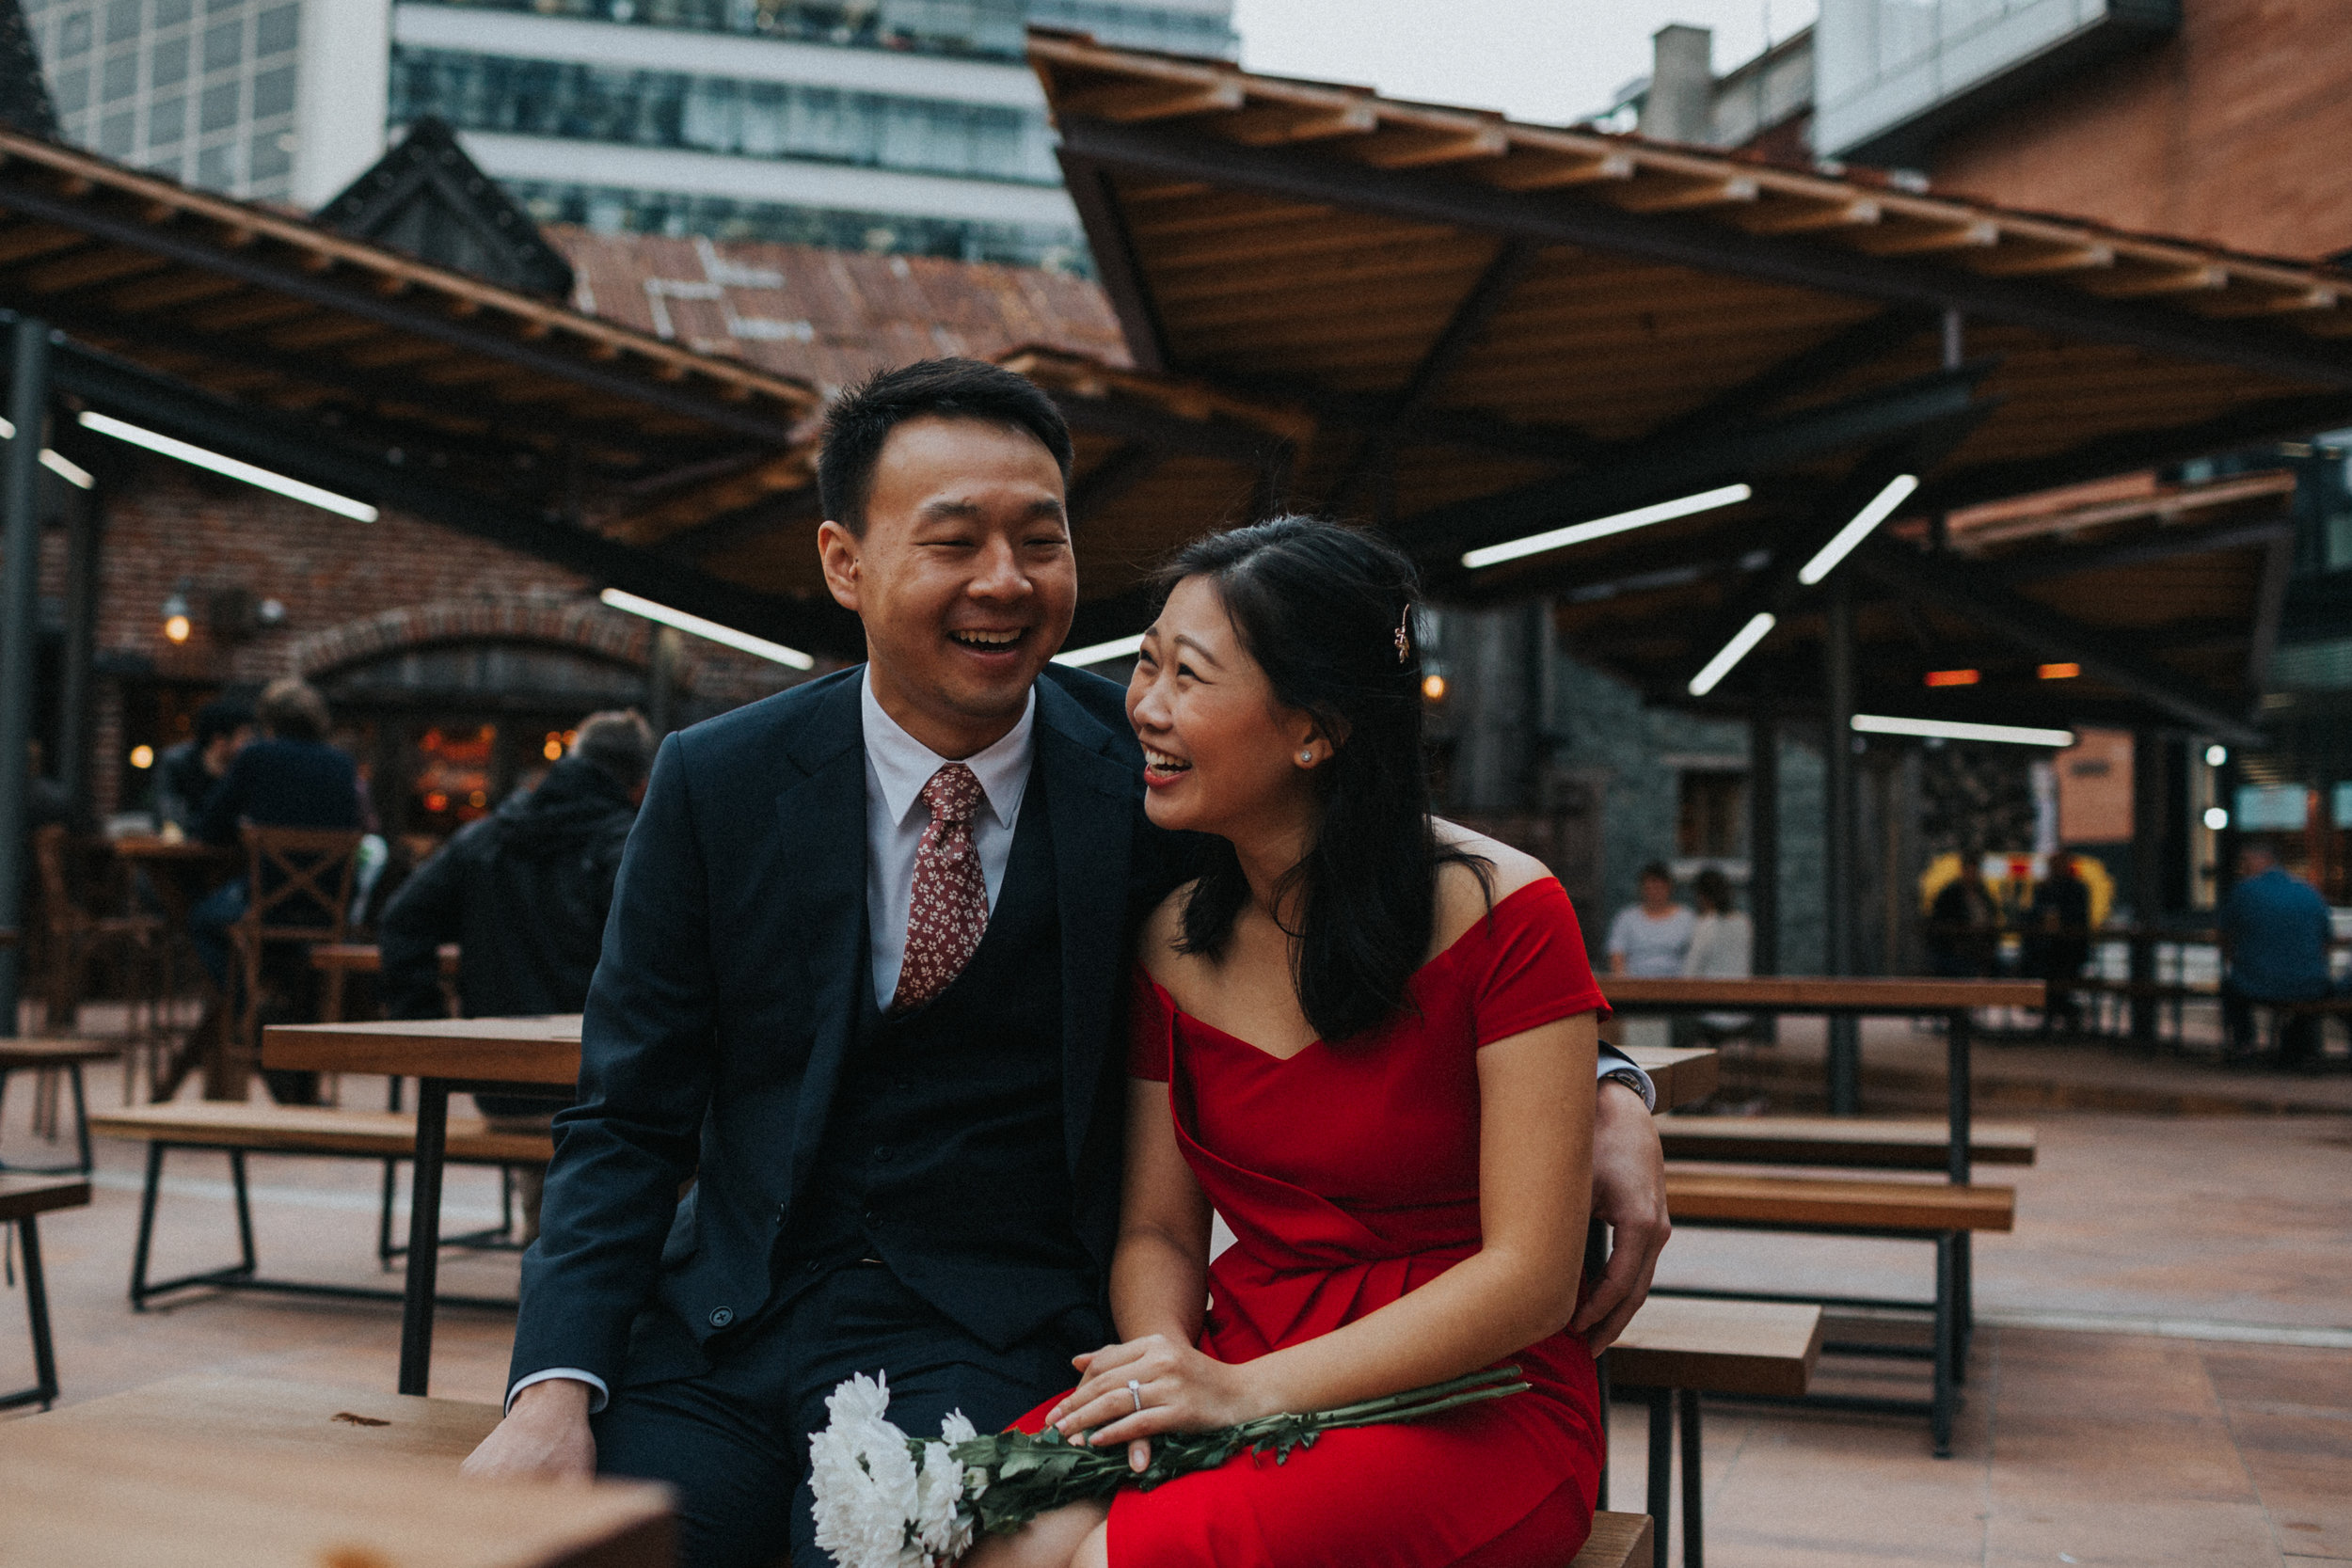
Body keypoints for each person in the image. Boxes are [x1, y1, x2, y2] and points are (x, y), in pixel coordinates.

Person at [458, 359, 1671, 1568]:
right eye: (954, 540)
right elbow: (625, 1115)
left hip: (981, 1326)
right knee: (588, 1548)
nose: (1006, 580)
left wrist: (1607, 1076)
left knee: (888, 1558)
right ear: (845, 561)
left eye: (1041, 538)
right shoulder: (715, 781)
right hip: (725, 1325)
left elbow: (1381, 865)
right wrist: (549, 1385)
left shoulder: (1158, 784)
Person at [976, 519, 1612, 1568]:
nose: (1144, 707)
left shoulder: (1509, 911)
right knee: (988, 1531)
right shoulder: (1171, 939)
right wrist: (1164, 1365)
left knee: (1121, 1562)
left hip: (1470, 1390)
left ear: (1312, 729)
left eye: (1189, 676)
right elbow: (1161, 1233)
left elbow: (1532, 1275)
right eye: (1145, 662)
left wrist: (1239, 1394)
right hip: (1240, 1346)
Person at [378, 709, 657, 1243]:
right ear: (640, 784)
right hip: (602, 1095)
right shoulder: (630, 846)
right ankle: (580, 1259)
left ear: (571, 761)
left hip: (502, 1089)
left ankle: (547, 1247)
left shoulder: (488, 838)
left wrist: (437, 1036)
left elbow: (401, 920)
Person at [188, 676, 362, 1104]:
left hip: (266, 906)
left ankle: (249, 1007)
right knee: (289, 958)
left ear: (268, 721)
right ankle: (287, 1049)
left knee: (203, 921)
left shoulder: (256, 757)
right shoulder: (342, 764)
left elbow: (209, 828)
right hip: (326, 911)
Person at [2218, 842, 2334, 1067]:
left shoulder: (2245, 891)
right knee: (2320, 994)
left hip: (2255, 981)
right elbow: (2326, 939)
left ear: (2260, 860)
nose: (2243, 868)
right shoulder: (2307, 891)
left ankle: (2245, 1044)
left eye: (2246, 862)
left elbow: (2224, 934)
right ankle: (2296, 1046)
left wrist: (2236, 957)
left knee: (2230, 988)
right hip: (2309, 983)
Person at [1608, 862, 1693, 1052]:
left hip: (1676, 995)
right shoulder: (1627, 918)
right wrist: (1625, 986)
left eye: (1659, 886)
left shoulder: (1686, 918)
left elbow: (1694, 955)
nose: (1655, 891)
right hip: (1636, 993)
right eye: (1650, 886)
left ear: (1669, 888)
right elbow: (1617, 954)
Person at [154, 696, 255, 833]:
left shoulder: (245, 767)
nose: (250, 742)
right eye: (244, 736)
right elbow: (170, 815)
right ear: (219, 740)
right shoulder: (176, 762)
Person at [2025, 853, 2093, 1036]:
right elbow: (2033, 917)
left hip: (2070, 950)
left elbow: (2078, 921)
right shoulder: (2044, 888)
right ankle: (2061, 1011)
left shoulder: (2077, 889)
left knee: (2056, 967)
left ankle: (2060, 1011)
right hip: (2048, 951)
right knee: (2040, 964)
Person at [1683, 866, 1754, 1042]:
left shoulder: (1706, 925)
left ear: (1701, 897)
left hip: (1711, 1015)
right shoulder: (1744, 923)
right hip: (1743, 1012)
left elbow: (1688, 974)